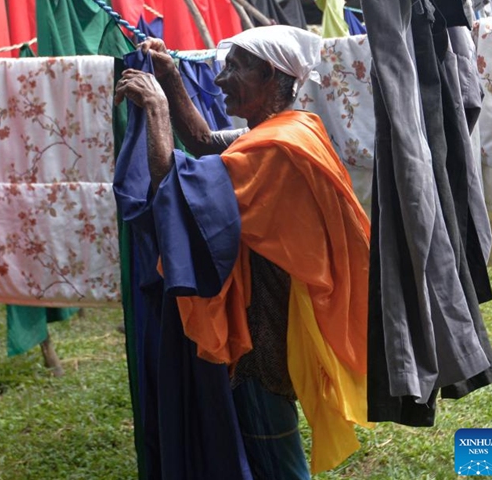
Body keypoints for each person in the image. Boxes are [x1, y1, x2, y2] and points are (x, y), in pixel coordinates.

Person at [114, 26, 372, 478]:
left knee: (276, 459)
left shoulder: (274, 150)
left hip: (261, 342)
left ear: (269, 73)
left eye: (233, 68)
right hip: (276, 325)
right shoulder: (293, 129)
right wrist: (171, 77)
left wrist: (155, 108)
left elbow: (172, 189)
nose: (219, 79)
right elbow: (198, 141)